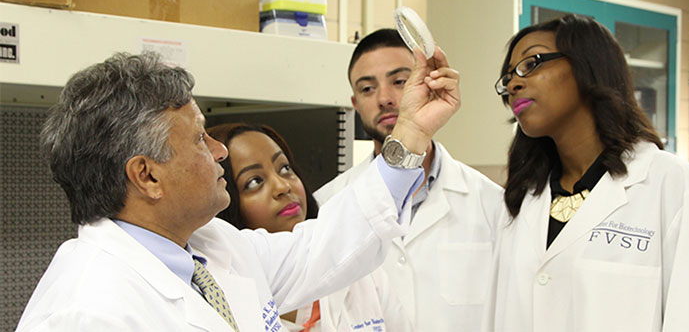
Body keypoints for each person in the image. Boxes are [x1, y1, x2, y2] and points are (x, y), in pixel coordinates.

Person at [16, 48, 460, 331]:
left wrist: (411, 131)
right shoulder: (88, 312)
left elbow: (327, 245)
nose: (218, 152)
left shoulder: (212, 249)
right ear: (147, 176)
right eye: (198, 139)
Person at [482, 14, 689, 332]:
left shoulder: (666, 182)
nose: (514, 83)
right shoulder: (523, 197)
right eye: (508, 76)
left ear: (588, 66)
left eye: (532, 63)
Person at [314, 28, 505, 331]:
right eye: (367, 89)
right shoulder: (328, 204)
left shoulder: (492, 204)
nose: (384, 99)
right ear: (355, 103)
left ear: (428, 85)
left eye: (399, 82)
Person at [207, 123, 412, 332]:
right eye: (254, 182)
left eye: (285, 169)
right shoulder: (222, 304)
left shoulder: (365, 279)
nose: (283, 186)